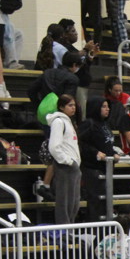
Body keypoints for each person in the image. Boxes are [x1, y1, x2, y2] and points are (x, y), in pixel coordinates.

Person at [79, 96, 120, 222]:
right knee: (95, 201)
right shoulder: (88, 123)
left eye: (108, 106)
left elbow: (107, 144)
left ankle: (104, 227)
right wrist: (95, 152)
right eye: (103, 106)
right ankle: (94, 228)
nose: (107, 109)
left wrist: (114, 153)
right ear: (96, 108)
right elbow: (82, 144)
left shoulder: (105, 124)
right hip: (92, 168)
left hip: (106, 168)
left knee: (104, 201)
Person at [47, 94, 82, 224]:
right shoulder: (58, 122)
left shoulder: (69, 122)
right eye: (70, 105)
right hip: (65, 166)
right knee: (65, 202)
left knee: (74, 203)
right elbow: (54, 147)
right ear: (61, 107)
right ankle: (64, 229)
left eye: (74, 105)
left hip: (73, 167)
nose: (73, 108)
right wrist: (68, 161)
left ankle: (69, 228)